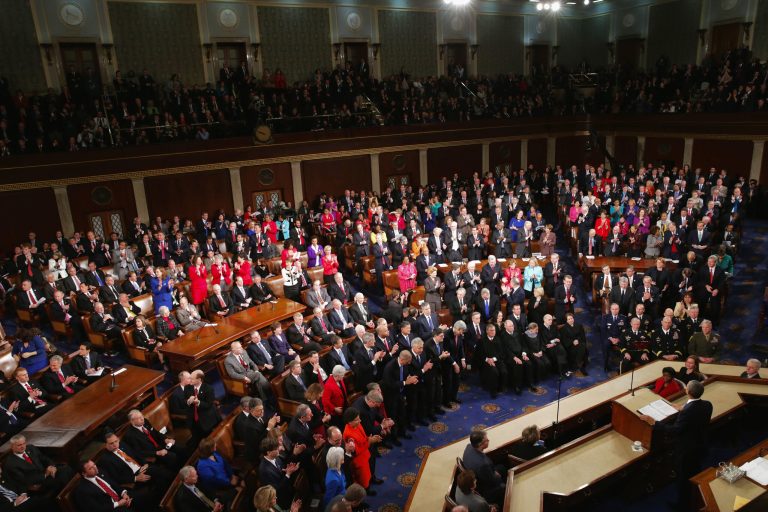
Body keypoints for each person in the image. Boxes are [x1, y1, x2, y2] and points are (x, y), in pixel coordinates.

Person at [640, 380, 713, 509]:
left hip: (687, 450)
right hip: (701, 445)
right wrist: (683, 408)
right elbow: (695, 413)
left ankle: (683, 506)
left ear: (687, 392)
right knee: (695, 472)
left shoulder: (687, 412)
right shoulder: (707, 404)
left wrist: (653, 422)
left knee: (684, 478)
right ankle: (695, 496)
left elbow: (675, 430)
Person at [4, 434, 74, 495]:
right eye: (19, 445)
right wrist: (45, 474)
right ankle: (66, 499)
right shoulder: (11, 463)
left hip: (47, 471)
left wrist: (51, 466)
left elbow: (44, 458)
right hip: (37, 483)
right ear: (12, 446)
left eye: (24, 443)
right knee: (61, 478)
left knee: (67, 469)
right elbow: (24, 480)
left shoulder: (31, 448)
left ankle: (70, 494)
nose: (23, 446)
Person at [461, 430, 506, 505]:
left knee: (501, 467)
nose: (489, 440)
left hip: (478, 473)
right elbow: (491, 480)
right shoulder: (483, 464)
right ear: (480, 444)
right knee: (503, 487)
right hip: (483, 486)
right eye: (486, 440)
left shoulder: (469, 446)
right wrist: (497, 476)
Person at [342, 407, 376, 493]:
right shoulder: (348, 434)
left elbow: (363, 438)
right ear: (350, 422)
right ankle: (365, 492)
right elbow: (356, 451)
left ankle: (369, 485)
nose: (360, 421)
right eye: (357, 419)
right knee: (363, 480)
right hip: (359, 461)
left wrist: (369, 438)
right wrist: (370, 442)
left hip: (365, 455)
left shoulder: (357, 425)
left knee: (368, 475)